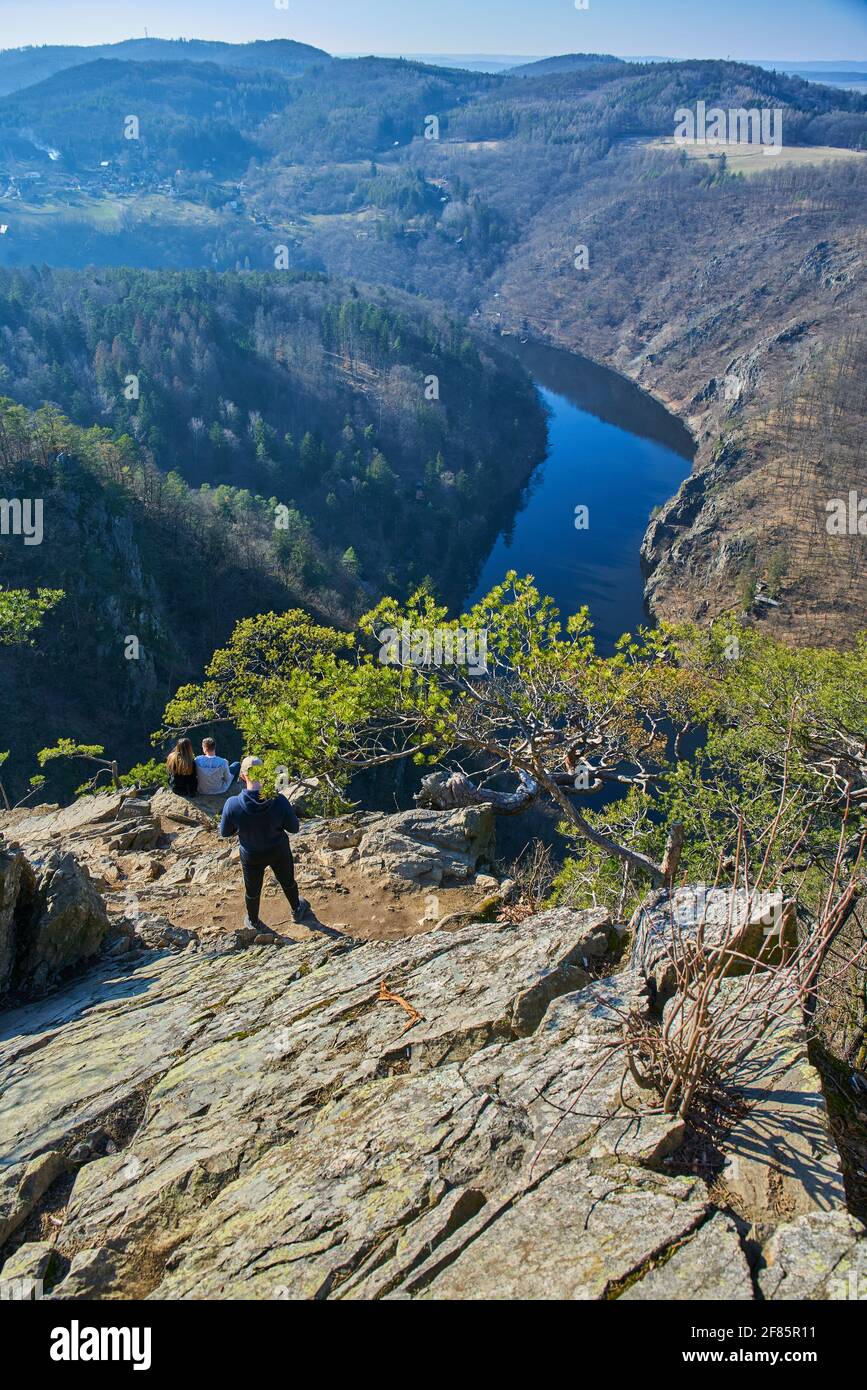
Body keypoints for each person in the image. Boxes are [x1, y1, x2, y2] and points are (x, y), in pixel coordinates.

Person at [219, 755, 310, 932]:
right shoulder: (279, 801)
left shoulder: (232, 805)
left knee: (252, 890)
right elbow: (294, 828)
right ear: (265, 774)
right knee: (287, 881)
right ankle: (296, 910)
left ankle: (253, 920)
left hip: (251, 853)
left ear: (243, 776)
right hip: (278, 849)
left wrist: (241, 827)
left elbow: (224, 832)